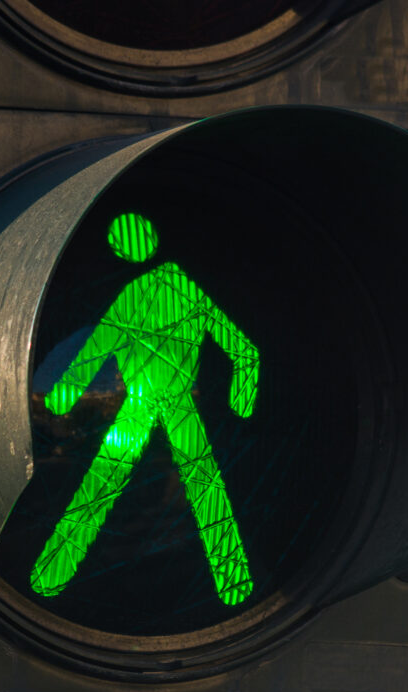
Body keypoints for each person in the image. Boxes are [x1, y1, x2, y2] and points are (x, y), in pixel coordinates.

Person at [30, 212, 260, 606]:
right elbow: (244, 351)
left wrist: (60, 400)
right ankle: (234, 583)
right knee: (205, 491)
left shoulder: (140, 292)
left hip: (143, 407)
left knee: (99, 489)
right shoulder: (182, 290)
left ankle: (50, 577)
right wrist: (241, 403)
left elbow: (97, 348)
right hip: (174, 407)